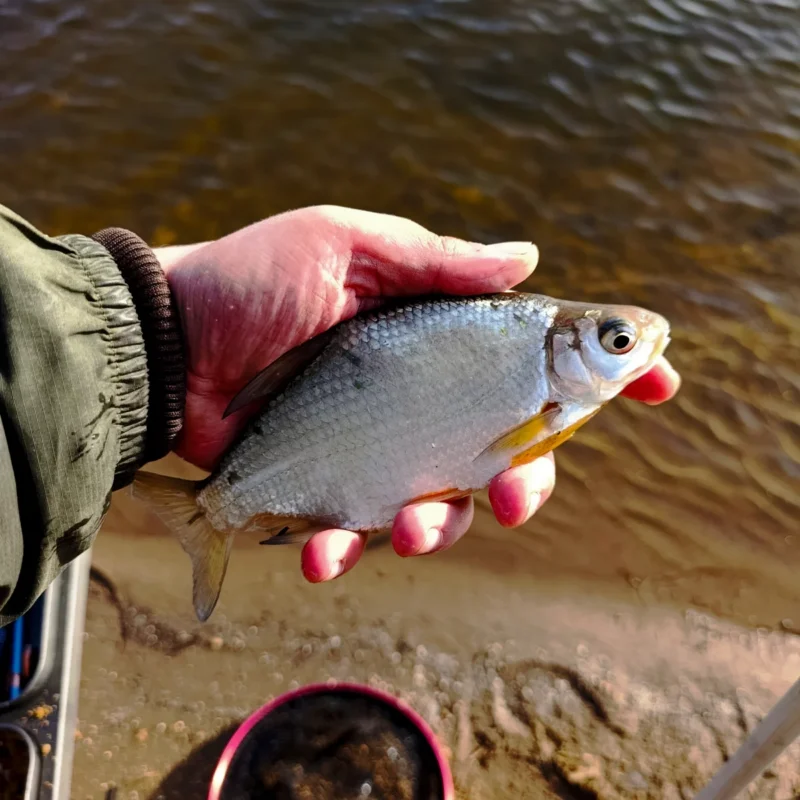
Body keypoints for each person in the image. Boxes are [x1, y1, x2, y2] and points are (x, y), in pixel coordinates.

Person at [0, 203, 679, 625]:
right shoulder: (533, 353)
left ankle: (220, 509)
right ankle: (218, 511)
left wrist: (158, 331)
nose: (632, 348)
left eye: (617, 342)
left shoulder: (539, 353)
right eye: (616, 340)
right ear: (566, 347)